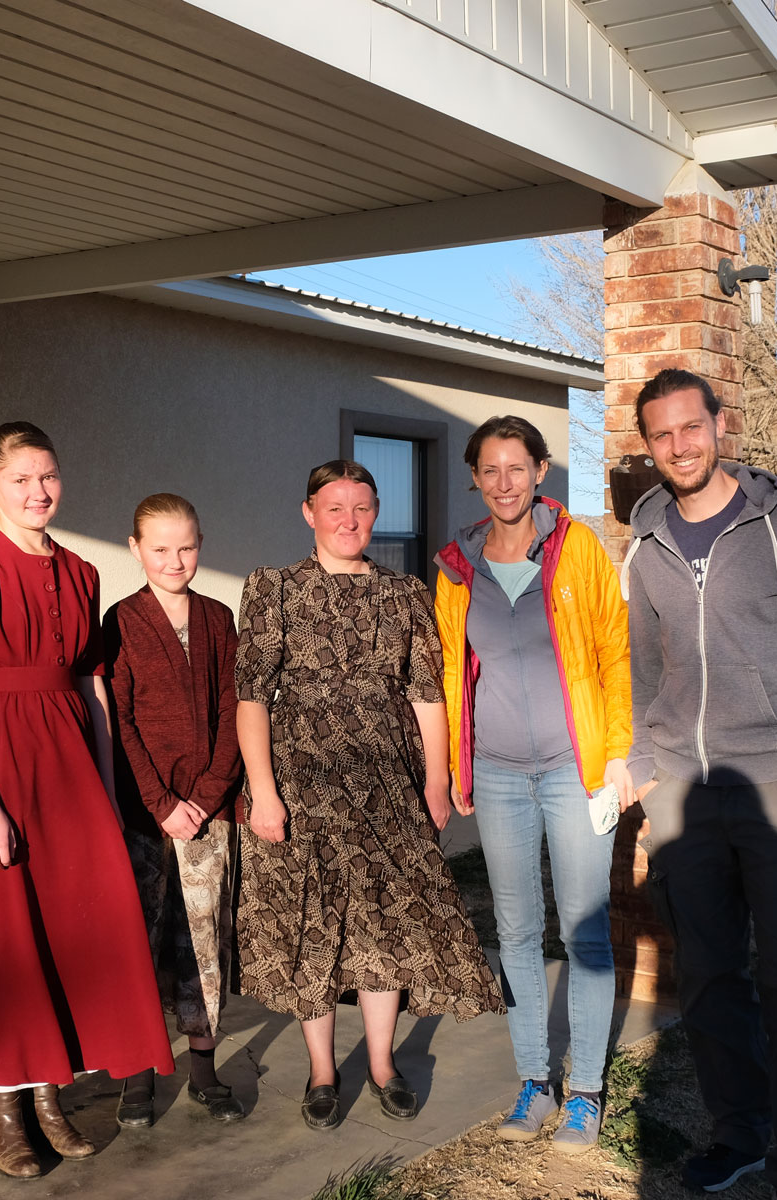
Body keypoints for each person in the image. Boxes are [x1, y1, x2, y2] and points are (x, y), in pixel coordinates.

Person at [622, 370, 777, 1200]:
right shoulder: (645, 542)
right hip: (684, 794)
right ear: (647, 445)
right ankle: (743, 1134)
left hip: (775, 790)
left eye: (692, 428)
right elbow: (644, 667)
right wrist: (648, 770)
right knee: (713, 980)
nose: (680, 446)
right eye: (663, 435)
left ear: (720, 426)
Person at [0, 422, 174, 1178]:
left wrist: (104, 789)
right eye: (21, 480)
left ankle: (48, 1094)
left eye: (48, 477)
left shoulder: (78, 570)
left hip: (71, 771)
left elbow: (93, 687)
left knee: (69, 933)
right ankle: (2, 1104)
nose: (37, 493)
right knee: (6, 937)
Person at [234, 460, 502, 1131]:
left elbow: (426, 692)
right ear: (309, 512)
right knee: (312, 926)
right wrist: (263, 793)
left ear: (375, 513)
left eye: (361, 508)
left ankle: (381, 1063)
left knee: (388, 922)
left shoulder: (406, 593)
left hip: (387, 782)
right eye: (334, 508)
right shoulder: (274, 589)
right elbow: (251, 699)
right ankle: (324, 1071)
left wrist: (436, 780)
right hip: (300, 781)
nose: (348, 521)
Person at [433, 415, 632, 1155]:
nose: (505, 483)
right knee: (515, 930)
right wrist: (457, 765)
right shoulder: (458, 566)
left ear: (541, 471)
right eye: (490, 470)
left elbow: (616, 652)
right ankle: (533, 1081)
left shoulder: (576, 547)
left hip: (576, 772)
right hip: (499, 774)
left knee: (584, 931)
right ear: (475, 478)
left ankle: (585, 1093)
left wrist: (617, 755)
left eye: (518, 468)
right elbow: (453, 669)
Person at [104, 493, 246, 1126]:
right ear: (136, 549)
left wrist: (209, 795)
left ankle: (204, 1069)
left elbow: (231, 712)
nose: (174, 559)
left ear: (200, 544)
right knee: (140, 938)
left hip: (207, 811)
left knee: (202, 936)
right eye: (160, 548)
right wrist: (161, 803)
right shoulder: (122, 622)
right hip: (142, 813)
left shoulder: (217, 619)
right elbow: (120, 720)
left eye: (186, 546)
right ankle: (137, 1074)